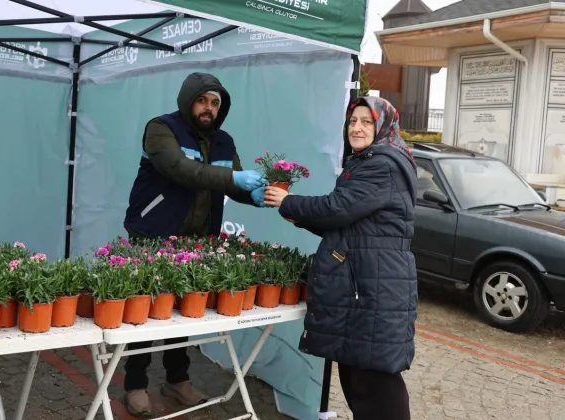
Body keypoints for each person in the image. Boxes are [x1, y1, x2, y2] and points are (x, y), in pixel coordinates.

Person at [264, 97, 417, 420]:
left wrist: (290, 202)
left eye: (366, 121)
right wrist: (301, 216)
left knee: (373, 380)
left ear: (383, 126)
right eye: (353, 121)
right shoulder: (368, 161)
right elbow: (351, 225)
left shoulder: (382, 164)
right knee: (359, 376)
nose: (357, 128)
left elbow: (337, 208)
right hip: (367, 280)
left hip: (373, 285)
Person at [122, 72, 266, 416]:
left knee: (185, 313)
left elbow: (233, 185)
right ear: (189, 101)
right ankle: (135, 385)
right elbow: (182, 171)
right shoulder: (160, 129)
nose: (209, 108)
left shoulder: (224, 141)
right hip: (153, 234)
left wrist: (257, 196)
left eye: (215, 103)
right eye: (203, 100)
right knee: (146, 312)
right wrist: (235, 178)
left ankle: (176, 381)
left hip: (197, 242)